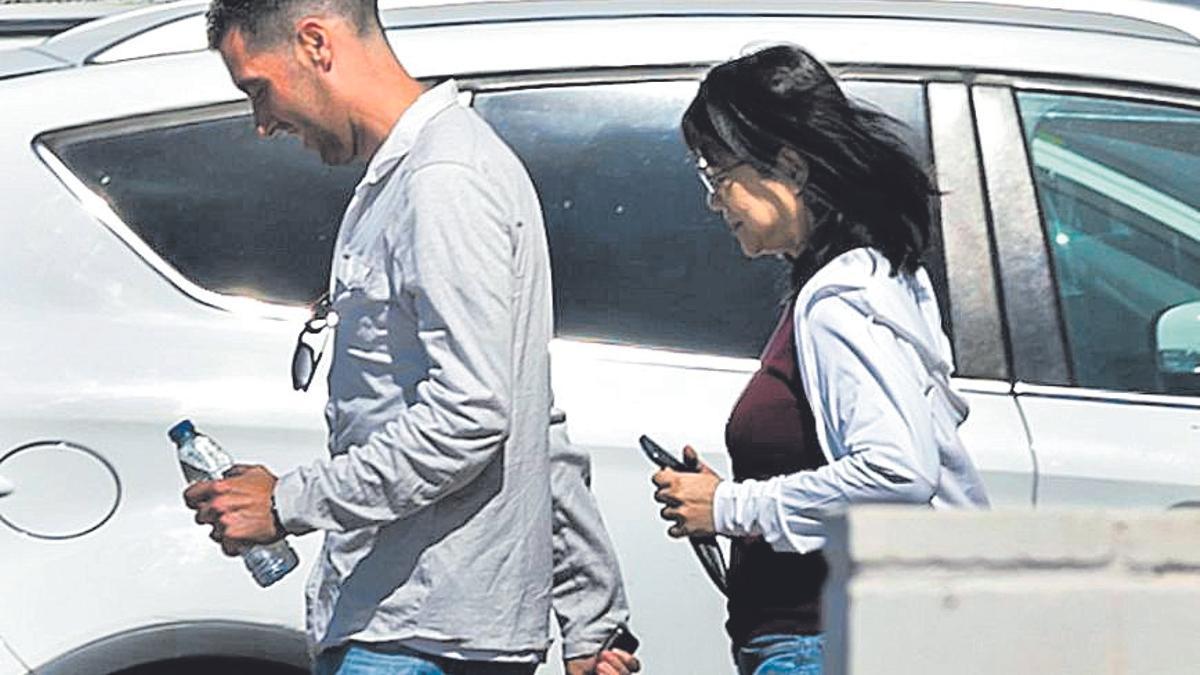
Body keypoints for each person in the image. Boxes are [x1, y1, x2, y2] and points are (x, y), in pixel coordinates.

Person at [181, 1, 638, 673]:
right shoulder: (413, 174)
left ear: (315, 43)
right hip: (413, 619)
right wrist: (593, 617)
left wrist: (287, 501)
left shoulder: (442, 179)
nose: (262, 123)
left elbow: (471, 415)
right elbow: (527, 417)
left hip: (418, 630)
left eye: (258, 88)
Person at [651, 45, 991, 675]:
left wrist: (730, 507)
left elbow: (896, 471)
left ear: (789, 166)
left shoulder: (841, 299)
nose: (713, 200)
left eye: (717, 172)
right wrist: (730, 492)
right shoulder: (866, 278)